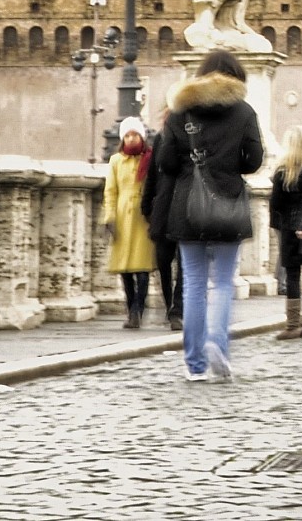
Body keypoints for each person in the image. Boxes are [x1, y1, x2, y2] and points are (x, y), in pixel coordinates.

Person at [149, 50, 265, 381]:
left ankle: (195, 364)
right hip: (227, 202)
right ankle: (218, 343)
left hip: (187, 206)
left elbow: (167, 162)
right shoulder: (244, 111)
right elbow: (254, 160)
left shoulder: (180, 110)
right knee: (223, 282)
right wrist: (229, 165)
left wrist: (192, 163)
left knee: (195, 284)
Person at [267, 119, 302, 340]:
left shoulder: (283, 172)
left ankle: (292, 325)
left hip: (289, 229)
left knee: (292, 275)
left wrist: (278, 227)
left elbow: (276, 204)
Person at [101, 115, 158, 329]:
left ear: (141, 137)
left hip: (143, 218)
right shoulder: (116, 161)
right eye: (127, 135)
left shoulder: (150, 159)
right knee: (125, 269)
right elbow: (111, 191)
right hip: (123, 217)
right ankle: (130, 308)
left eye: (135, 134)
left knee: (142, 269)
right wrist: (109, 216)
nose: (131, 139)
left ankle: (138, 311)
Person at [140, 123, 183, 330]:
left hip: (186, 210)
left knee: (186, 265)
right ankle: (170, 307)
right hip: (163, 209)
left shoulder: (195, 134)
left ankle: (178, 310)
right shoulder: (162, 137)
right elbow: (153, 175)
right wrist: (147, 205)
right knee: (163, 262)